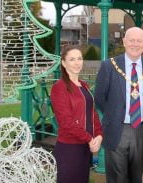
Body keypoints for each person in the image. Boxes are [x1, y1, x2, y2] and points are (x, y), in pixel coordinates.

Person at [94, 27, 143, 183]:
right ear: (124, 42)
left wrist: (140, 113)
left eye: (139, 41)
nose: (135, 44)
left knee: (136, 177)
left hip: (142, 130)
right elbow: (99, 97)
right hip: (117, 129)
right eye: (131, 40)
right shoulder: (109, 65)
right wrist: (115, 114)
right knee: (118, 177)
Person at [50, 46, 103, 183]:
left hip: (85, 147)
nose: (77, 62)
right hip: (70, 148)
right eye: (72, 59)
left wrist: (99, 135)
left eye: (79, 58)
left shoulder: (84, 85)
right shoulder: (59, 87)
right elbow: (66, 122)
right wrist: (89, 139)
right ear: (63, 63)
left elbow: (92, 113)